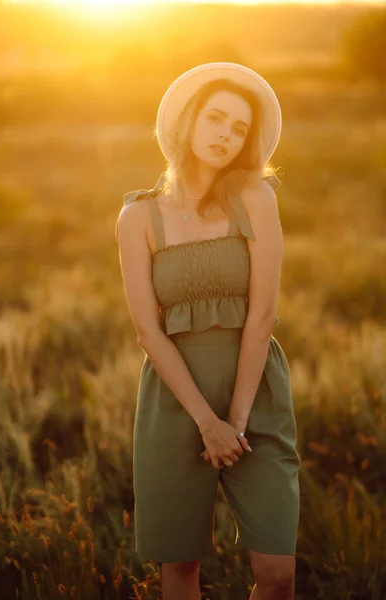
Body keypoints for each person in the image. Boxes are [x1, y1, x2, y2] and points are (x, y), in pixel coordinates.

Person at [115, 62, 301, 600]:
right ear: (188, 124)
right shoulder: (138, 219)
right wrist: (206, 422)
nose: (225, 134)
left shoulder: (255, 199)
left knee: (277, 573)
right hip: (175, 400)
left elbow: (262, 315)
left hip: (255, 390)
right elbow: (148, 333)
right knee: (181, 570)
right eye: (215, 119)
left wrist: (236, 421)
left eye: (239, 128)